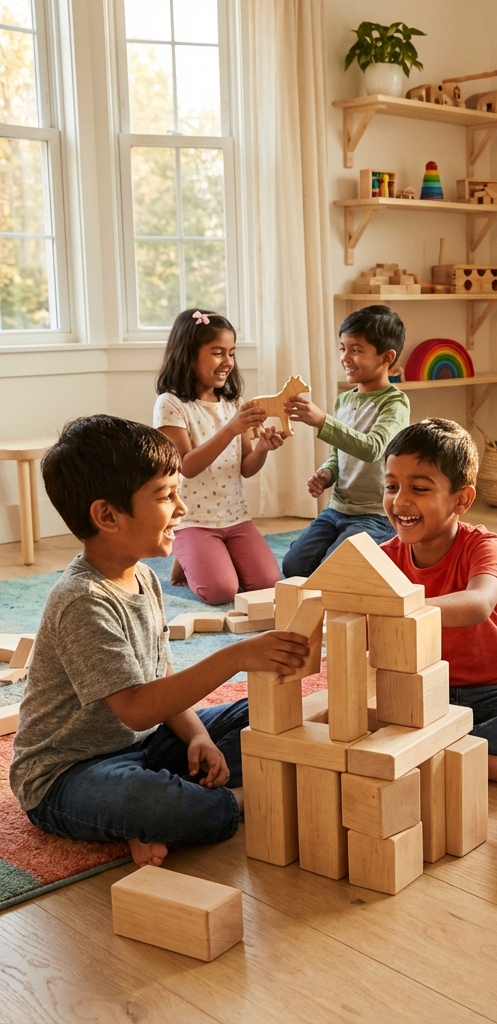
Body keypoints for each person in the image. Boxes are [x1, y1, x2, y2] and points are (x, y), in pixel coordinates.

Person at [9, 416, 309, 868]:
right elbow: (138, 707)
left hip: (146, 745)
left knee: (267, 711)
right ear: (107, 515)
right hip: (68, 774)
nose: (182, 508)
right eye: (166, 496)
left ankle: (160, 816)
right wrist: (237, 656)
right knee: (147, 800)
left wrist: (198, 736)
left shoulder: (146, 577)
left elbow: (161, 677)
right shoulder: (81, 600)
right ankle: (236, 801)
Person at [381, 419, 497, 794]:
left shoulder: (482, 545)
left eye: (419, 488)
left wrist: (403, 608)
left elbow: (478, 603)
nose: (400, 501)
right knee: (351, 716)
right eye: (391, 486)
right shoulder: (383, 557)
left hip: (492, 691)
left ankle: (439, 754)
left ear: (462, 500)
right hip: (419, 692)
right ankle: (472, 757)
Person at [154, 308, 284, 605]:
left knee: (268, 584)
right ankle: (189, 559)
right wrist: (232, 428)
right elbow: (185, 467)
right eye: (217, 353)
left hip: (235, 517)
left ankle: (205, 559)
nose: (227, 362)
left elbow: (246, 468)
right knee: (220, 592)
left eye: (232, 353)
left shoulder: (233, 402)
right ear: (188, 354)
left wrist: (263, 447)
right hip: (193, 519)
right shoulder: (170, 404)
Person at [281, 305, 411, 577]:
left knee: (332, 572)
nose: (345, 357)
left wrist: (322, 421)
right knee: (293, 566)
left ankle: (389, 553)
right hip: (337, 509)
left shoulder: (395, 403)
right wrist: (327, 473)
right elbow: (337, 454)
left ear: (387, 357)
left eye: (356, 350)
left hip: (375, 514)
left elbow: (373, 449)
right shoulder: (344, 400)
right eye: (343, 348)